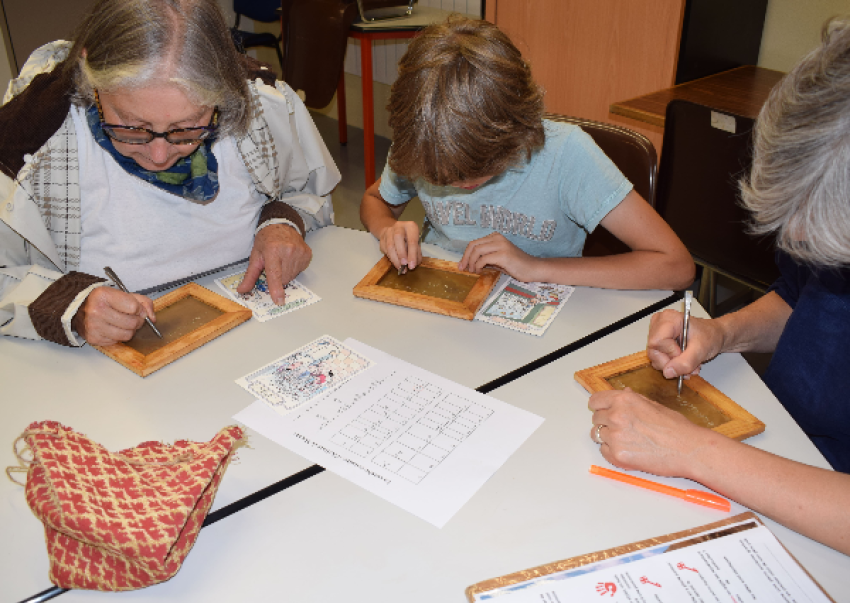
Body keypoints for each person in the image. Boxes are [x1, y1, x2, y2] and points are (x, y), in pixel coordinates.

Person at [588, 17, 850, 555]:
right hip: (782, 447)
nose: (799, 241)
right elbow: (801, 300)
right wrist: (722, 333)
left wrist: (694, 451)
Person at [0, 0, 340, 348]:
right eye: (132, 126)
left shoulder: (263, 108)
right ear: (91, 75)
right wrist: (68, 305)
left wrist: (282, 222)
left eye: (186, 129)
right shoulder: (24, 147)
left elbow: (309, 194)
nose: (159, 155)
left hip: (254, 335)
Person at [360, 16, 694, 291]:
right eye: (440, 179)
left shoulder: (566, 154)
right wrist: (387, 228)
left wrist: (534, 266)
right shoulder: (424, 139)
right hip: (444, 294)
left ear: (512, 137)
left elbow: (676, 266)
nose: (458, 186)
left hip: (543, 304)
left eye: (471, 176)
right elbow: (375, 201)